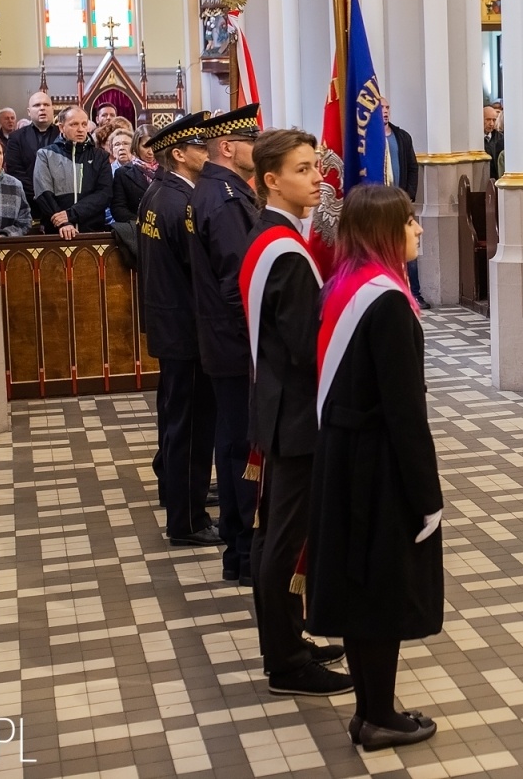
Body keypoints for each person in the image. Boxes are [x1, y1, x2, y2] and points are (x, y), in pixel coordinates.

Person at [306, 184, 444, 750]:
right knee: (382, 593)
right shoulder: (385, 300)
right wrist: (427, 496)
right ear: (386, 231)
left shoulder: (348, 283)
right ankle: (379, 716)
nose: (418, 230)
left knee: (361, 593)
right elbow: (405, 412)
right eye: (409, 222)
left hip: (344, 456)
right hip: (377, 467)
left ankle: (370, 711)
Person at [238, 129, 353, 697]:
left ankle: (288, 640)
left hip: (278, 407)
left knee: (274, 534)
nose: (318, 178)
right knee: (282, 539)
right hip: (295, 415)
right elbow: (306, 342)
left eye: (315, 167)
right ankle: (284, 661)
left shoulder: (271, 238)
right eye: (304, 170)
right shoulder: (283, 251)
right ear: (271, 180)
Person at [188, 104, 263, 587]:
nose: (259, 150)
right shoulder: (226, 199)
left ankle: (239, 552)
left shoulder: (216, 191)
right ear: (228, 147)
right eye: (252, 142)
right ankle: (244, 553)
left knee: (232, 444)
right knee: (240, 451)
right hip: (236, 345)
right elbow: (240, 283)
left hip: (221, 341)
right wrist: (258, 343)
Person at [136, 113, 218, 548]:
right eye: (200, 148)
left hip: (170, 324)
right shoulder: (179, 203)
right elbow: (197, 269)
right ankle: (187, 520)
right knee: (190, 423)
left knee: (175, 415)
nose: (208, 153)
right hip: (186, 328)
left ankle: (177, 488)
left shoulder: (159, 194)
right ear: (179, 155)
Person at [31, 105, 113, 237]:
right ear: (61, 127)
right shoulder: (45, 154)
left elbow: (104, 194)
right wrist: (63, 223)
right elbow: (43, 193)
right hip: (56, 232)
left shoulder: (101, 156)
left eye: (84, 124)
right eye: (74, 124)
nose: (80, 129)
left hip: (92, 231)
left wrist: (71, 214)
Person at [381, 98, 426, 308]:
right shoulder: (368, 140)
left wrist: (408, 195)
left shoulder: (401, 136)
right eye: (381, 108)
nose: (385, 111)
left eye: (388, 107)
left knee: (409, 248)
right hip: (380, 206)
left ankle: (414, 293)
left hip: (401, 202)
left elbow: (413, 167)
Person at [4, 90, 58, 186]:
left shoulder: (63, 134)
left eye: (46, 105)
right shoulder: (16, 138)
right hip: (29, 196)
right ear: (29, 112)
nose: (42, 108)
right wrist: (37, 194)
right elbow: (15, 171)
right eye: (37, 105)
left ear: (52, 109)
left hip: (59, 195)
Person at [108, 128, 150, 224]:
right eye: (117, 145)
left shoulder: (151, 169)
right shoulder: (107, 172)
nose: (121, 147)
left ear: (134, 147)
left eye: (126, 143)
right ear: (112, 151)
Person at [482, 105, 504, 180]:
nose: (491, 124)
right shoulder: (474, 139)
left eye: (494, 120)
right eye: (488, 120)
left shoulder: (501, 139)